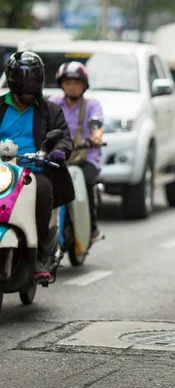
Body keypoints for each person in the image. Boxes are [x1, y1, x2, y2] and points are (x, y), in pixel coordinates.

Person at [0, 51, 74, 281]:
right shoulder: (1, 106)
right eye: (25, 81)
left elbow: (63, 137)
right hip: (2, 170)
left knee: (43, 191)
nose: (30, 88)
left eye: (34, 81)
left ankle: (40, 253)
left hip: (33, 172)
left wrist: (59, 151)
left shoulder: (50, 110)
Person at [50, 61, 104, 240]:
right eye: (68, 82)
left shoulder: (92, 105)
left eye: (76, 83)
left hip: (87, 158)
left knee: (86, 181)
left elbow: (96, 122)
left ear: (84, 86)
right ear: (61, 84)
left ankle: (92, 227)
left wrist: (96, 136)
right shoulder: (54, 103)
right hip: (60, 156)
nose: (72, 86)